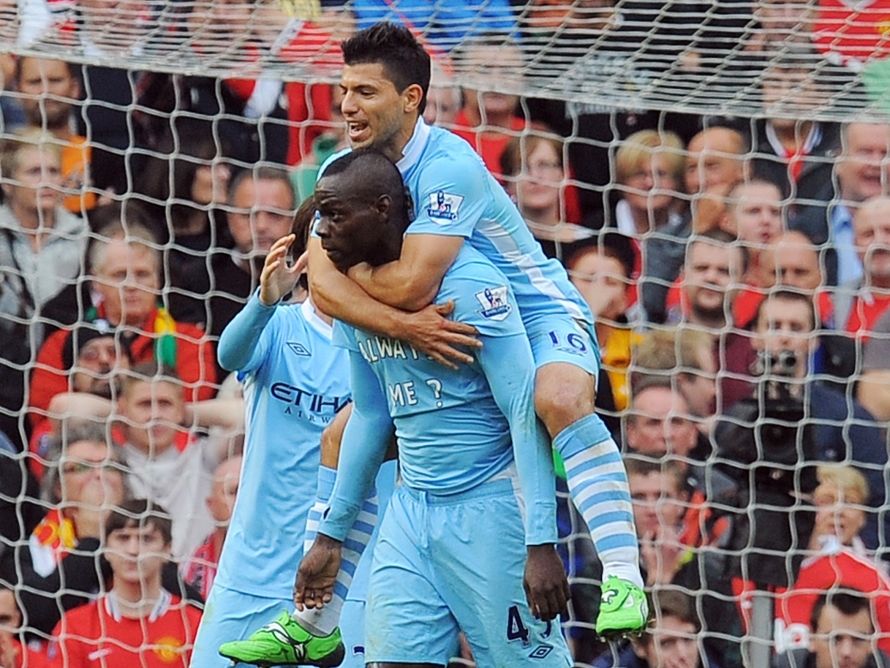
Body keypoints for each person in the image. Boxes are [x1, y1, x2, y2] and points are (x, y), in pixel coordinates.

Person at [306, 21, 645, 636]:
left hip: (535, 313)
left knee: (557, 398)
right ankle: (313, 621)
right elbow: (321, 287)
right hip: (444, 328)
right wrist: (398, 326)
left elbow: (413, 285)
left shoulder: (450, 164)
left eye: (366, 93)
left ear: (411, 99)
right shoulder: (342, 166)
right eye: (345, 90)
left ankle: (623, 573)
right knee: (343, 434)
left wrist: (360, 289)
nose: (348, 105)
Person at [220, 149, 572, 667]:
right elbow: (369, 415)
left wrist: (541, 540)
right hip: (410, 514)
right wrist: (330, 536)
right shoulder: (353, 298)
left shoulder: (469, 286)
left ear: (382, 210)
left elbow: (523, 410)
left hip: (489, 510)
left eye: (335, 216)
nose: (322, 233)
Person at [191, 197, 376, 668]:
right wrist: (263, 301)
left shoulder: (381, 346)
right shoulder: (279, 325)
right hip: (253, 568)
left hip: (341, 581)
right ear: (302, 253)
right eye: (323, 237)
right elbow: (229, 357)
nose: (335, 251)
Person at [28, 212, 218, 424]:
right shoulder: (63, 342)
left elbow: (192, 402)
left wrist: (104, 410)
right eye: (119, 275)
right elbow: (45, 412)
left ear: (158, 280)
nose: (131, 285)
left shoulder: (190, 340)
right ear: (95, 281)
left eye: (142, 274)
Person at [0, 423, 127, 636]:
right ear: (58, 487)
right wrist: (92, 541)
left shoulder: (147, 538)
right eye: (82, 467)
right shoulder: (22, 553)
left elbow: (185, 604)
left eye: (109, 466)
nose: (99, 476)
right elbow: (40, 614)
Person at [46, 499, 203, 667]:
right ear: (106, 550)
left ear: (167, 550)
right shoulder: (75, 627)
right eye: (123, 538)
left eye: (146, 539)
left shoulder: (193, 624)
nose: (133, 550)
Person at [116, 363, 232, 560]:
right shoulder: (112, 460)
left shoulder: (204, 456)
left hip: (197, 582)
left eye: (165, 404)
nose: (155, 415)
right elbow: (63, 407)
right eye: (144, 404)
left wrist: (186, 413)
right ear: (123, 408)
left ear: (180, 409)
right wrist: (118, 413)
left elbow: (245, 416)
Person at [791, 121, 890, 286]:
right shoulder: (804, 229)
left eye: (885, 153)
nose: (876, 163)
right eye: (865, 152)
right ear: (838, 161)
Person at [208, 166, 297, 345]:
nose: (261, 225)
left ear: (293, 220)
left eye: (274, 214)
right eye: (248, 215)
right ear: (229, 218)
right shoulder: (201, 280)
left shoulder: (311, 281)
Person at [14, 56, 97, 214]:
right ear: (18, 91)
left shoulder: (101, 155)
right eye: (35, 82)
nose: (46, 91)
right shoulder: (5, 157)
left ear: (74, 88)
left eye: (55, 80)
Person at [500, 131, 593, 261]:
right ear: (508, 182)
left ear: (563, 174)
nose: (535, 177)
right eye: (522, 168)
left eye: (544, 165)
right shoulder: (497, 243)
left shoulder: (591, 243)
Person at [592, 589, 724, 668]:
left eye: (688, 640)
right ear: (639, 647)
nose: (682, 654)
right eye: (666, 644)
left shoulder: (714, 661)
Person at [181, 454, 242, 602]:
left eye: (250, 493)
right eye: (234, 492)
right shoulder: (189, 568)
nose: (243, 501)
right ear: (211, 505)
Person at [772, 592, 890, 668]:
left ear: (872, 642)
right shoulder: (786, 665)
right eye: (835, 639)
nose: (846, 652)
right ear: (812, 638)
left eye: (858, 639)